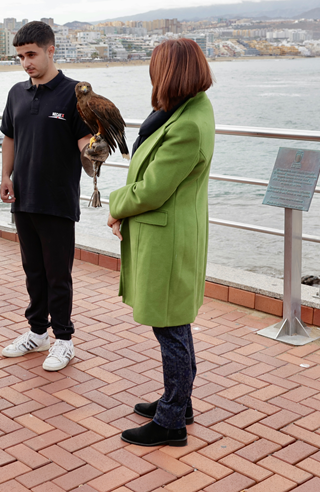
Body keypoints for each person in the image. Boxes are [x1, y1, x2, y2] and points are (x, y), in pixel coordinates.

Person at [107, 39, 215, 447]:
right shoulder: (188, 109)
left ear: (171, 72)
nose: (152, 75)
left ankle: (172, 422)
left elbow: (154, 188)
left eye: (156, 68)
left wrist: (117, 205)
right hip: (171, 228)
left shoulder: (186, 123)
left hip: (167, 234)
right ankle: (179, 400)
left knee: (169, 328)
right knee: (175, 324)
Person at [0, 21, 93, 372]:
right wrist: (5, 176)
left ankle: (64, 341)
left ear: (51, 50)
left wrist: (93, 154)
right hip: (24, 197)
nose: (26, 62)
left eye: (32, 54)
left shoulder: (76, 93)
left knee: (58, 275)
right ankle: (37, 333)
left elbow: (86, 143)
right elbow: (9, 136)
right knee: (33, 271)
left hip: (57, 200)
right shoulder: (16, 93)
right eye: (21, 56)